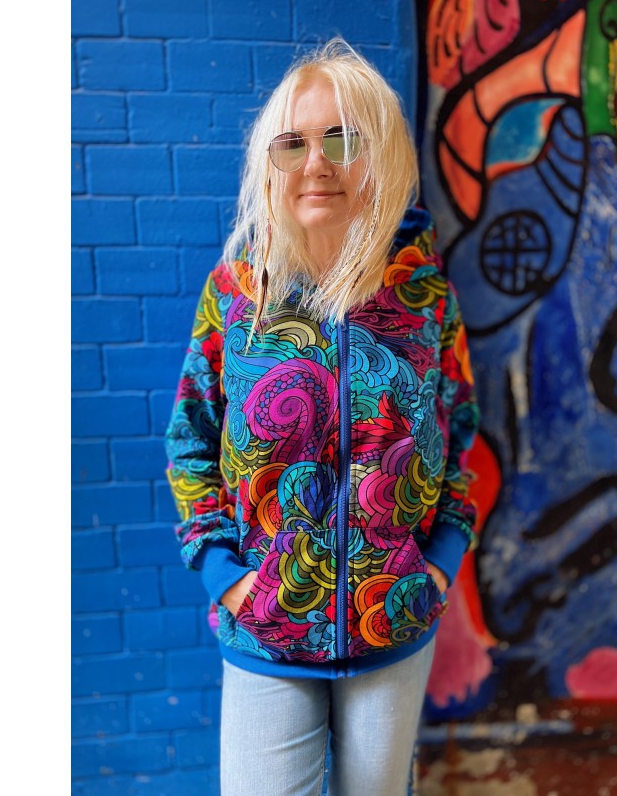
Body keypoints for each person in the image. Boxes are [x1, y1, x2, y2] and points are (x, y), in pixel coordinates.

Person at [165, 38, 479, 796]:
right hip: (267, 631)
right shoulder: (238, 292)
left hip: (393, 623)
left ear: (382, 154)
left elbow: (460, 434)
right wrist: (227, 577)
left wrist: (435, 567)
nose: (317, 164)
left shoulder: (422, 296)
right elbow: (190, 440)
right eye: (294, 143)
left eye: (343, 140)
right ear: (271, 162)